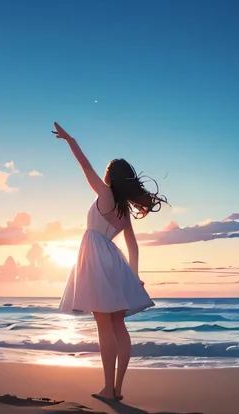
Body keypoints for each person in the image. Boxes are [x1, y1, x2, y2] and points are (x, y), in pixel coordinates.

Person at [53, 122, 167, 402]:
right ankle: (117, 387)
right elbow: (133, 245)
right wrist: (135, 276)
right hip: (115, 263)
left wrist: (70, 139)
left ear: (110, 177)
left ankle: (108, 388)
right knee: (119, 326)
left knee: (104, 326)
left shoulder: (104, 195)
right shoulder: (124, 213)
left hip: (95, 260)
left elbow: (84, 165)